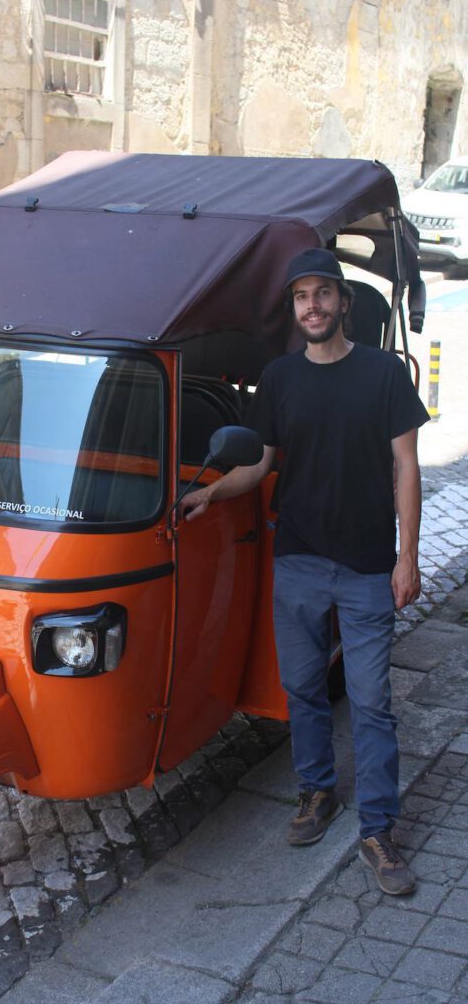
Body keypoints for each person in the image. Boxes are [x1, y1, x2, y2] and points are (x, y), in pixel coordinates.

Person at [182, 247, 429, 896]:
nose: (312, 305)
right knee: (303, 691)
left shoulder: (383, 374)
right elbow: (260, 465)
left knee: (373, 705)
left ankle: (378, 828)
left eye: (323, 293)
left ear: (344, 303)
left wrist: (408, 555)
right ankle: (316, 793)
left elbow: (407, 466)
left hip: (369, 565)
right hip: (297, 560)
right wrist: (208, 492)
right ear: (294, 310)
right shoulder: (281, 379)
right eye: (301, 297)